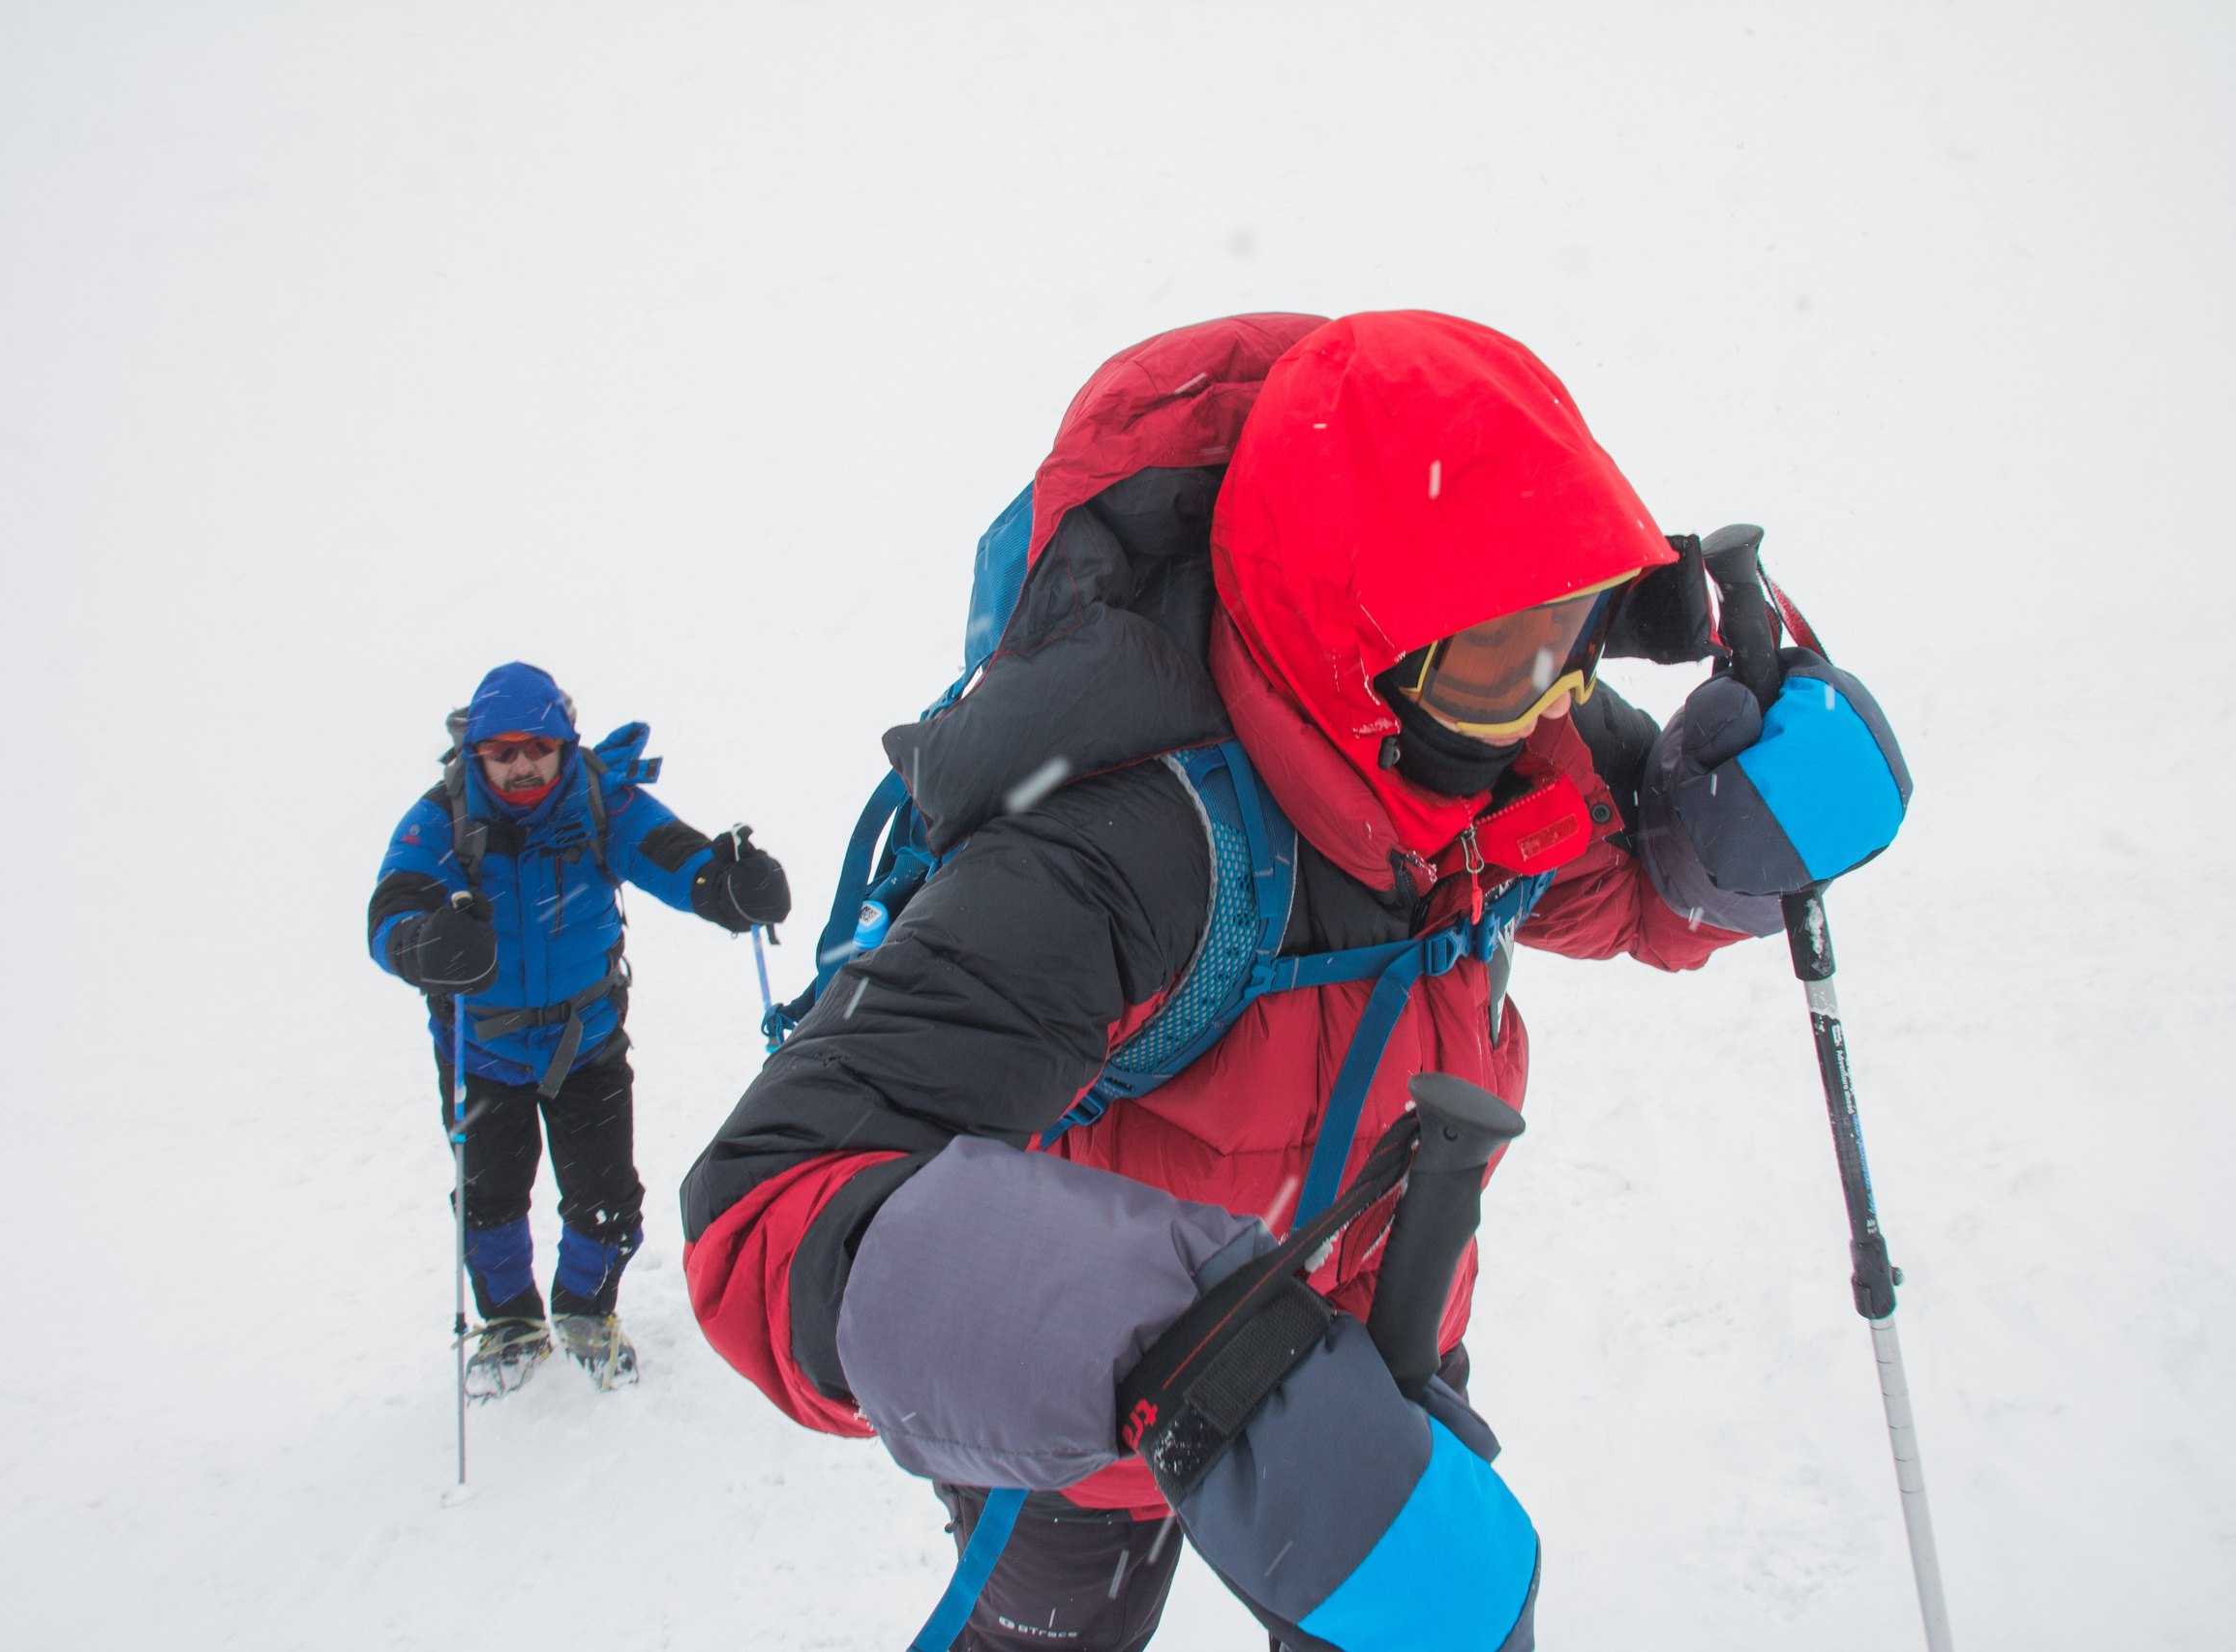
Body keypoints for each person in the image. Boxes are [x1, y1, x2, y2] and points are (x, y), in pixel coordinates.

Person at [680, 314, 1908, 1650]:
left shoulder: (1496, 720)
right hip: (1103, 1432)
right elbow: (767, 1204)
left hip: (1390, 1355)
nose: (1556, 703)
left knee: (1419, 1595)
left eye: (1576, 631)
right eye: (1505, 655)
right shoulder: (1133, 846)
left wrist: (1723, 838)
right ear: (1357, 646)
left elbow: (1616, 874)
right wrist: (1203, 1367)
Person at [371, 662, 790, 1394]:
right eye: (503, 751)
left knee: (606, 1195)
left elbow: (678, 859)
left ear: (566, 743)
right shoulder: (441, 818)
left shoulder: (604, 802)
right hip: (481, 1051)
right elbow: (390, 911)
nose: (523, 763)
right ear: (476, 754)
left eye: (539, 746)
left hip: (586, 1046)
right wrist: (423, 943)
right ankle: (510, 1325)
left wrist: (730, 888)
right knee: (490, 1197)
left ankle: (586, 1313)